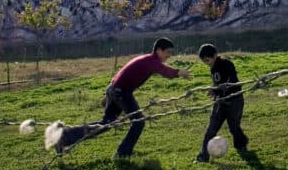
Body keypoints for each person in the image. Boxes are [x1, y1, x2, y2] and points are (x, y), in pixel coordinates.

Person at [56, 37, 190, 159]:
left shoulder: (146, 59)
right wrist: (180, 72)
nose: (169, 56)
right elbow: (165, 71)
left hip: (114, 89)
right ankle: (123, 153)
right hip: (122, 93)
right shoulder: (151, 60)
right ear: (159, 50)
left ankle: (64, 137)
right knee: (139, 122)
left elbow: (120, 74)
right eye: (168, 52)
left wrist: (109, 93)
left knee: (106, 123)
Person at [195, 43, 248, 162]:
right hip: (220, 102)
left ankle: (241, 145)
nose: (207, 63)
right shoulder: (213, 68)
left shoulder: (226, 64)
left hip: (234, 101)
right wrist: (215, 91)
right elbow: (218, 84)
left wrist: (219, 89)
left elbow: (230, 80)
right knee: (211, 129)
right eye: (204, 62)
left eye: (208, 60)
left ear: (215, 55)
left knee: (234, 127)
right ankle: (204, 156)